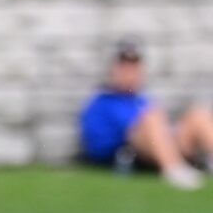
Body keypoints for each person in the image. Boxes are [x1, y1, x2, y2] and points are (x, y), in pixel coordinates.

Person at [78, 39, 210, 191]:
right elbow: (97, 146)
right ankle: (174, 170)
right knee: (151, 117)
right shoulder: (101, 103)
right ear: (114, 71)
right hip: (129, 153)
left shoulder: (142, 100)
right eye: (124, 69)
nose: (129, 74)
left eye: (133, 69)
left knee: (198, 115)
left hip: (160, 146)